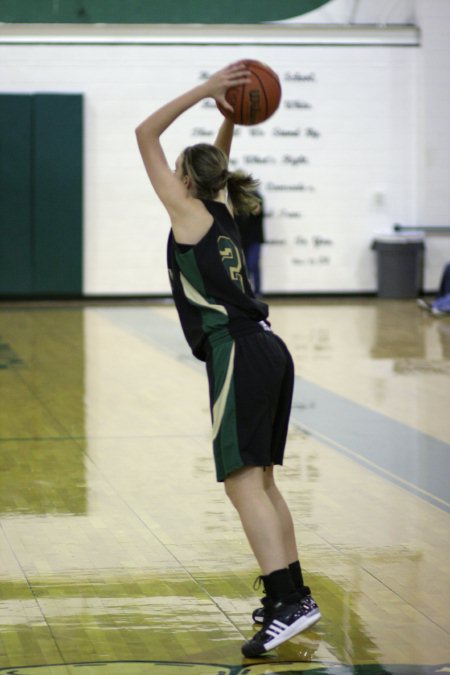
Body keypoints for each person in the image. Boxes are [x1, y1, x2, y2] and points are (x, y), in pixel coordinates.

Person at [135, 61, 320, 658]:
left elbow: (144, 134)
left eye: (177, 173)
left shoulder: (190, 214)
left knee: (242, 485)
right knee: (260, 481)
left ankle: (286, 602)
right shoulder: (222, 213)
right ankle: (294, 596)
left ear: (184, 182)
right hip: (268, 346)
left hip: (237, 351)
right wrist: (229, 119)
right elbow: (213, 164)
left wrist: (209, 92)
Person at [235, 189, 264, 296]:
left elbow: (257, 210)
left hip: (254, 238)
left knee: (253, 264)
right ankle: (247, 291)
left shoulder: (256, 196)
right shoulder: (235, 199)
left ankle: (257, 291)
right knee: (244, 266)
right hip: (242, 238)